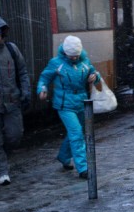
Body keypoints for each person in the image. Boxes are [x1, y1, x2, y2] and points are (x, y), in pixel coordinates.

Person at [37, 35, 100, 179]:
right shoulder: (56, 63)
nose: (74, 58)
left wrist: (94, 76)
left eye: (76, 56)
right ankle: (83, 168)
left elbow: (94, 73)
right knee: (76, 132)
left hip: (82, 102)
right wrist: (42, 88)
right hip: (64, 105)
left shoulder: (85, 61)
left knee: (77, 132)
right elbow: (44, 78)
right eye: (71, 56)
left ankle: (64, 157)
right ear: (65, 53)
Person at [0, 14, 31, 185]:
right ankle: (1, 172)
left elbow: (22, 72)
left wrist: (25, 91)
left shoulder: (11, 49)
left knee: (15, 135)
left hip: (12, 103)